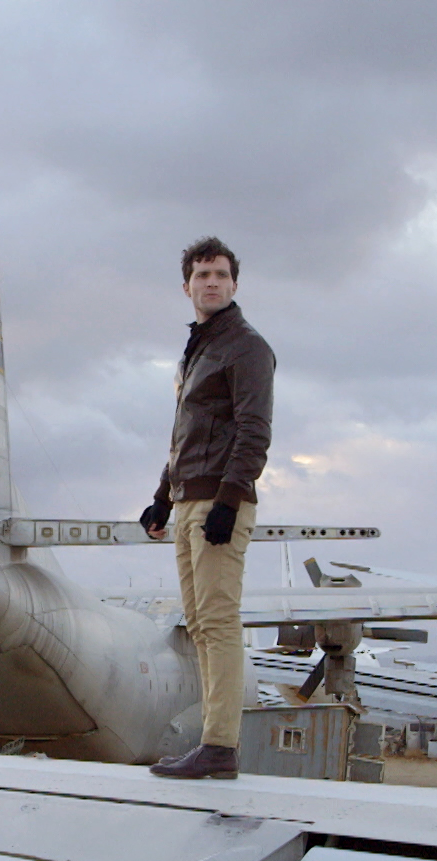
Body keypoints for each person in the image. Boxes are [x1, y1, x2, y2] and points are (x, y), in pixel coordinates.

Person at [142, 237, 274, 780]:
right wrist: (160, 496)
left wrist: (228, 500)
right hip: (189, 499)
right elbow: (185, 434)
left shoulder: (246, 346)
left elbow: (254, 432)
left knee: (218, 621)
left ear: (234, 284)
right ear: (186, 286)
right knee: (197, 622)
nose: (211, 282)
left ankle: (220, 746)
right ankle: (211, 743)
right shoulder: (198, 349)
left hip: (220, 502)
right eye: (201, 275)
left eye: (220, 274)